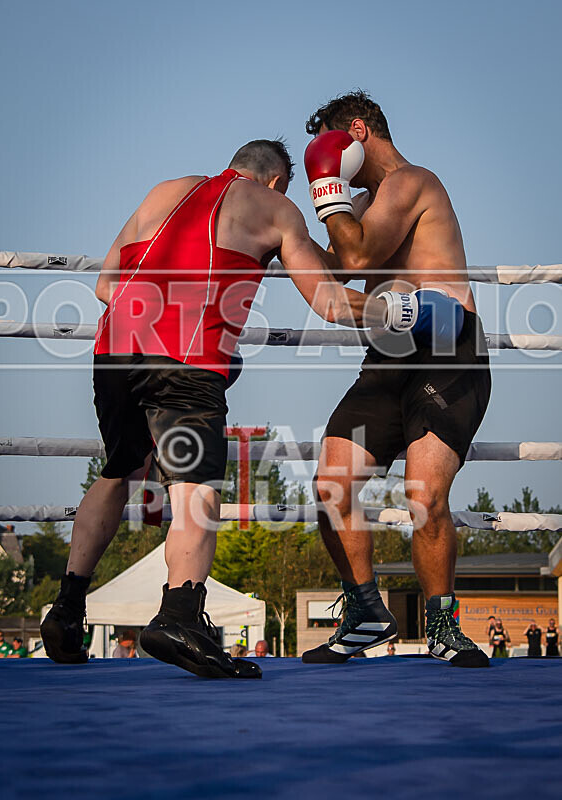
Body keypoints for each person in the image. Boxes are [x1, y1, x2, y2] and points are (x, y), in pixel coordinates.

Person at [40, 138, 396, 680]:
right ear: (276, 181)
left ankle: (67, 610)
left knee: (120, 471)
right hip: (184, 361)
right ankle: (181, 614)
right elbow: (327, 300)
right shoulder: (276, 209)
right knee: (194, 491)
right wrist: (403, 312)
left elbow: (104, 285)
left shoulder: (165, 191)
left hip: (114, 354)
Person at [300, 90, 491, 669]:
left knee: (424, 494)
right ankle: (366, 613)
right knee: (331, 485)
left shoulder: (410, 182)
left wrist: (325, 193)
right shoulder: (360, 207)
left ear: (356, 132)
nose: (327, 162)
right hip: (388, 359)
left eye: (331, 144)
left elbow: (356, 263)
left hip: (446, 352)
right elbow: (332, 279)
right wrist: (281, 231)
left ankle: (442, 624)